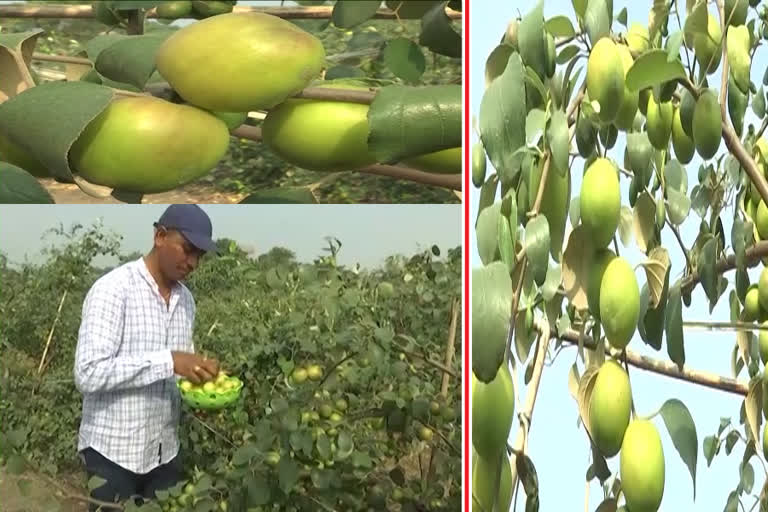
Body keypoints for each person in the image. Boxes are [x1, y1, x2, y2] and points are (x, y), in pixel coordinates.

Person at [73, 204, 221, 511]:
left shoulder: (186, 300)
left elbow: (179, 368)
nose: (193, 262)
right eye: (187, 250)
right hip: (111, 456)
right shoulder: (113, 290)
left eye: (200, 256)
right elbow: (88, 373)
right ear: (160, 236)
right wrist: (171, 361)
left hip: (163, 452)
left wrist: (200, 382)